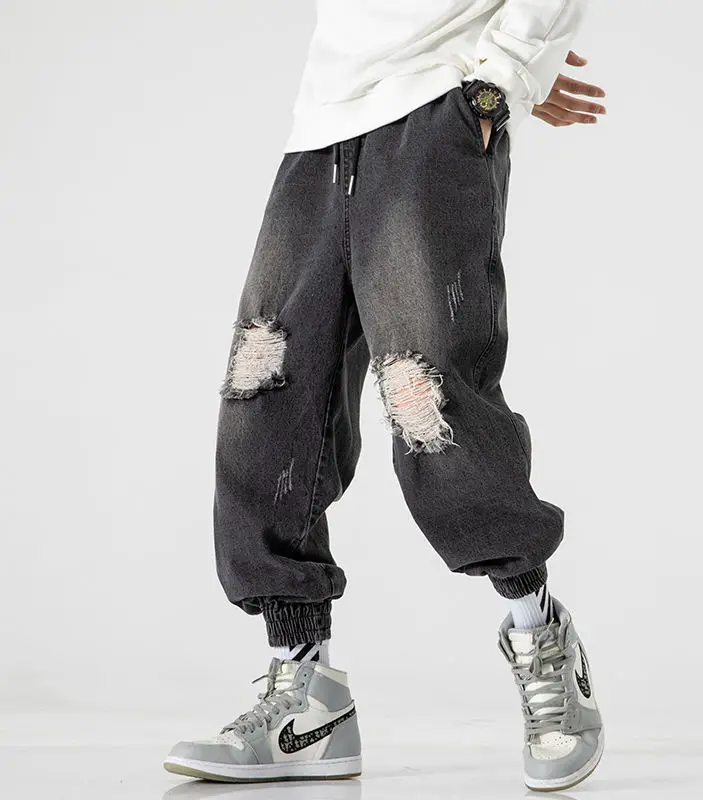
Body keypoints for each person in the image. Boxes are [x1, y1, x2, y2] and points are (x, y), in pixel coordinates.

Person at [163, 0, 607, 792]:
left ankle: (539, 633)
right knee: (264, 395)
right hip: (320, 125)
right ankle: (308, 702)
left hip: (432, 115)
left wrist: (503, 80)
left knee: (427, 398)